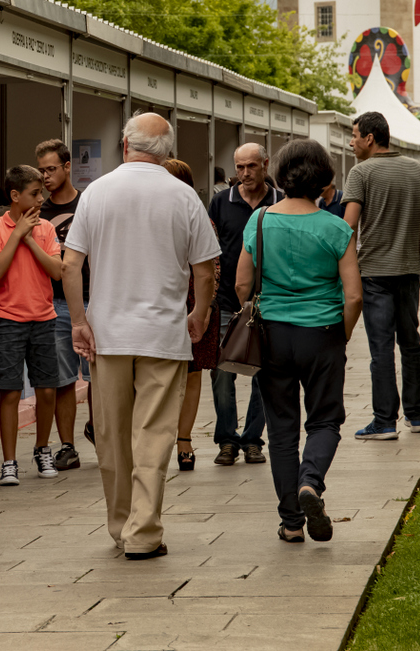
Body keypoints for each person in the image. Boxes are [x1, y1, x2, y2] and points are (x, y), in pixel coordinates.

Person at [63, 114, 218, 561]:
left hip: (108, 334)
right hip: (163, 333)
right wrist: (199, 314)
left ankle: (120, 525)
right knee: (153, 435)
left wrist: (78, 320)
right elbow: (204, 270)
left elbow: (71, 264)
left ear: (125, 146)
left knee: (111, 436)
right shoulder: (183, 195)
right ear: (167, 151)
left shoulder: (97, 192)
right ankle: (144, 531)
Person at [235, 138, 362, 544]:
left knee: (282, 429)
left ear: (281, 174)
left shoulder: (258, 221)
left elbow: (241, 283)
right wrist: (340, 334)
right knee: (325, 419)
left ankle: (291, 522)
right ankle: (311, 482)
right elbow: (355, 295)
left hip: (272, 335)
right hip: (322, 333)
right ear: (323, 178)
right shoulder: (337, 227)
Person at [342, 111, 420, 442]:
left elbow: (348, 226)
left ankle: (384, 421)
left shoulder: (360, 173)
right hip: (409, 271)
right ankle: (417, 415)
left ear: (370, 138)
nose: (351, 141)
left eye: (354, 135)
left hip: (374, 275)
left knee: (381, 347)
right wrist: (416, 253)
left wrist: (347, 268)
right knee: (410, 342)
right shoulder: (418, 169)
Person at [0, 164, 68, 485]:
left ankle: (42, 448)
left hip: (44, 318)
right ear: (15, 196)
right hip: (7, 319)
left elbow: (57, 271)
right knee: (10, 390)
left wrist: (30, 239)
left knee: (47, 389)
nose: (41, 198)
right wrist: (17, 233)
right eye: (35, 193)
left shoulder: (45, 228)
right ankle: (9, 461)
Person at [205, 144, 280, 466]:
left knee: (265, 373)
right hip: (225, 302)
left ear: (265, 164)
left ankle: (252, 440)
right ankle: (227, 440)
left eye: (251, 166)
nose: (245, 173)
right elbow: (209, 252)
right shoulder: (221, 202)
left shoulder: (281, 202)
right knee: (223, 373)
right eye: (240, 167)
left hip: (270, 301)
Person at [36, 138, 90, 467]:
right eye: (41, 170)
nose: (45, 176)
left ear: (68, 167)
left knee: (98, 375)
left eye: (51, 169)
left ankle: (100, 428)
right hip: (54, 302)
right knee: (63, 379)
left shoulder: (88, 204)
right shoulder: (37, 212)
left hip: (91, 297)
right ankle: (67, 445)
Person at [162, 158, 219, 470]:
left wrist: (205, 307)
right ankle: (160, 437)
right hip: (161, 301)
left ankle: (184, 440)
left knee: (193, 373)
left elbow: (214, 267)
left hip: (195, 300)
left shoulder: (199, 218)